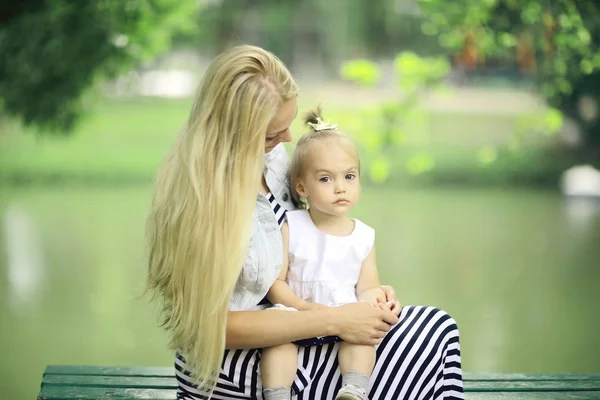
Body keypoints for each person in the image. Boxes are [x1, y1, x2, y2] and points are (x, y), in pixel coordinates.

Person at [146, 45, 464, 400]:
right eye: (270, 134)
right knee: (432, 337)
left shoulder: (274, 162)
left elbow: (314, 236)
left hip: (298, 328)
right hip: (237, 361)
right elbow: (208, 328)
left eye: (287, 125)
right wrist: (335, 320)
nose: (285, 140)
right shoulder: (201, 203)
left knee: (428, 327)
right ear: (232, 134)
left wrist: (367, 292)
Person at [260, 108, 390, 400]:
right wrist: (303, 309)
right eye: (326, 179)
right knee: (277, 343)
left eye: (349, 176)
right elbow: (276, 284)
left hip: (344, 317)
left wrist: (377, 300)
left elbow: (367, 287)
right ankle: (277, 393)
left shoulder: (363, 236)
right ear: (302, 187)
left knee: (361, 342)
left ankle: (354, 388)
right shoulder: (292, 225)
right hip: (296, 315)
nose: (340, 188)